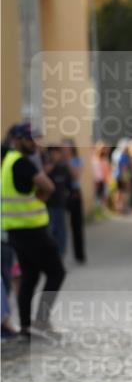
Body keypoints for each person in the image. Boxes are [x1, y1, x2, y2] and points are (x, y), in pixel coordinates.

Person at [0, 124, 66, 339]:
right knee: (56, 272)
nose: (35, 143)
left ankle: (27, 327)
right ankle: (41, 321)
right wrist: (41, 196)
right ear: (18, 140)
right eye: (30, 139)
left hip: (16, 229)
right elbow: (48, 186)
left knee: (29, 276)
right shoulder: (22, 163)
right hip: (32, 230)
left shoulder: (8, 161)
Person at [43, 145, 73, 259]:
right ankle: (52, 254)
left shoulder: (63, 169)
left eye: (56, 153)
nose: (54, 155)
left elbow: (70, 185)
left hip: (60, 204)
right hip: (49, 205)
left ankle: (60, 254)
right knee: (50, 230)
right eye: (51, 153)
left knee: (61, 231)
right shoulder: (46, 168)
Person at [63, 140, 86, 262]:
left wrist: (67, 161)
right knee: (60, 225)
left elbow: (76, 175)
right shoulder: (58, 160)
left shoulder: (76, 160)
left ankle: (79, 254)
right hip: (62, 193)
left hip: (74, 193)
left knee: (77, 225)